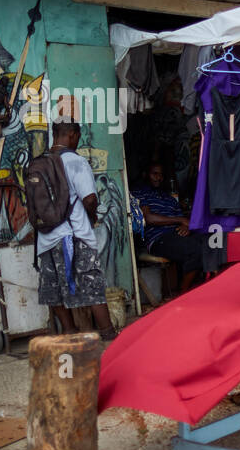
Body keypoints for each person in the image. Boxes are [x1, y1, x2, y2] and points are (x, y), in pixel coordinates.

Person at [36, 119, 116, 339]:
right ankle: (108, 335)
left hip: (45, 238)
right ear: (71, 134)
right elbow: (89, 198)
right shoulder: (75, 161)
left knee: (54, 289)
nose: (78, 140)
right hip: (74, 235)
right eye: (78, 136)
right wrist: (91, 219)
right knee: (92, 285)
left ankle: (70, 333)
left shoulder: (40, 162)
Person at [131, 161, 224, 295]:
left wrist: (186, 227)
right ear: (145, 175)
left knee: (214, 238)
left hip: (176, 234)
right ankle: (183, 293)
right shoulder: (140, 192)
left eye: (161, 175)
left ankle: (212, 285)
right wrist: (179, 220)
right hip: (159, 239)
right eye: (154, 174)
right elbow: (148, 218)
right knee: (195, 250)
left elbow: (185, 221)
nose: (158, 177)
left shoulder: (169, 198)